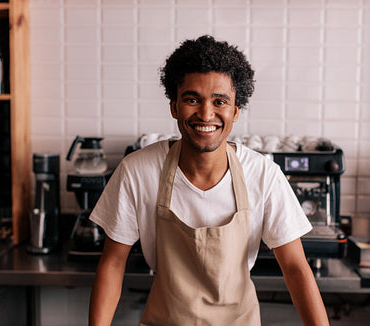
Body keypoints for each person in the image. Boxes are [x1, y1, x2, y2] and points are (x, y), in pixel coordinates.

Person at [88, 35, 329, 326]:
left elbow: (295, 269)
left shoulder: (263, 175)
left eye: (220, 101)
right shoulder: (138, 171)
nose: (206, 114)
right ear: (174, 107)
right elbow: (113, 263)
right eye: (192, 99)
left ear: (235, 111)